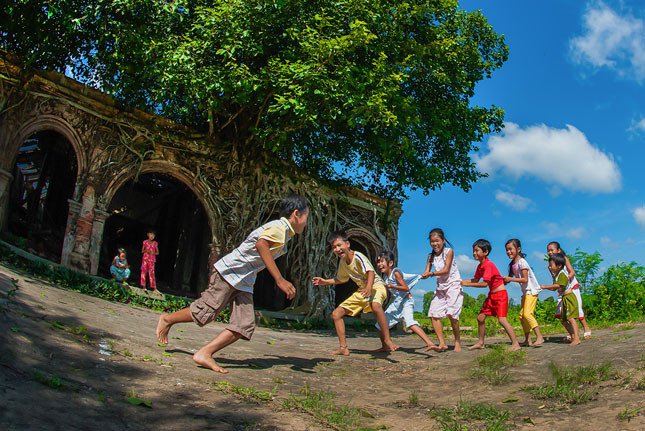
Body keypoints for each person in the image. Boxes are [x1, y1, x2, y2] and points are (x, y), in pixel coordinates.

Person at [155, 194, 309, 374]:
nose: (306, 222)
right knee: (206, 311)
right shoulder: (279, 228)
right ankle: (167, 319)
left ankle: (205, 353)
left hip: (245, 279)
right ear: (296, 214)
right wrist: (279, 279)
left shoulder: (284, 232)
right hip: (230, 272)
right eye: (306, 216)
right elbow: (261, 244)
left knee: (244, 325)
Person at [312, 231, 398, 356]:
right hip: (363, 290)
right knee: (336, 314)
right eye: (334, 247)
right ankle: (343, 348)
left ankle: (387, 340)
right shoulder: (342, 263)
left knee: (375, 306)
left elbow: (371, 272)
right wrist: (325, 281)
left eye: (339, 245)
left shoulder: (358, 256)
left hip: (376, 286)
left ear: (347, 244)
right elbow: (341, 279)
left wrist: (369, 287)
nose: (337, 249)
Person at [461, 239, 521, 351]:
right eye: (473, 251)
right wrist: (461, 281)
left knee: (502, 320)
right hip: (491, 296)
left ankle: (516, 344)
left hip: (500, 296)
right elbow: (475, 279)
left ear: (485, 252)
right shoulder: (480, 266)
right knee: (480, 318)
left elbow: (484, 284)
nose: (474, 253)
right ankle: (481, 343)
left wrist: (466, 285)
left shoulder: (488, 265)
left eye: (476, 250)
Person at [375, 250, 438, 352]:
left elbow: (405, 288)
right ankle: (385, 346)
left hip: (406, 301)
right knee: (380, 324)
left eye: (382, 261)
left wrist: (392, 286)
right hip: (397, 303)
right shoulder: (386, 277)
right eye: (378, 262)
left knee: (410, 322)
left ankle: (430, 344)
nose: (379, 264)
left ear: (390, 263)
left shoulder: (395, 273)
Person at [421, 228, 463, 352]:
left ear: (443, 240)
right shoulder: (430, 256)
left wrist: (431, 274)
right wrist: (422, 275)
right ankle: (442, 343)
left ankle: (457, 342)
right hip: (441, 287)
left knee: (452, 315)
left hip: (453, 285)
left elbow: (446, 270)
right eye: (432, 241)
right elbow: (426, 271)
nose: (435, 244)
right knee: (433, 314)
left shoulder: (449, 251)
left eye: (437, 241)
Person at [503, 239, 544, 347]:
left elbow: (525, 279)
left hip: (532, 290)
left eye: (510, 249)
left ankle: (539, 337)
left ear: (518, 249)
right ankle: (527, 340)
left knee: (527, 314)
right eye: (506, 250)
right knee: (522, 316)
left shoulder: (522, 262)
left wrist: (509, 279)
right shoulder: (513, 264)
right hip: (525, 292)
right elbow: (509, 279)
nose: (508, 252)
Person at [547, 242, 591, 339]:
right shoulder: (550, 265)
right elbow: (554, 279)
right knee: (560, 313)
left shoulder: (564, 259)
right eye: (548, 251)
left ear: (558, 250)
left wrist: (565, 281)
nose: (549, 252)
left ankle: (586, 328)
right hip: (562, 290)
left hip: (571, 287)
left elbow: (572, 272)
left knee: (576, 309)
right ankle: (572, 333)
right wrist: (556, 286)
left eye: (552, 250)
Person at [541, 252, 581, 346]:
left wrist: (545, 287)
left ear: (559, 265)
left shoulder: (562, 274)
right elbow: (555, 288)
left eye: (551, 265)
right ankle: (572, 336)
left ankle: (577, 338)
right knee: (563, 319)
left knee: (571, 318)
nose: (549, 267)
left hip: (569, 298)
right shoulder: (558, 275)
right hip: (564, 298)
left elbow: (558, 285)